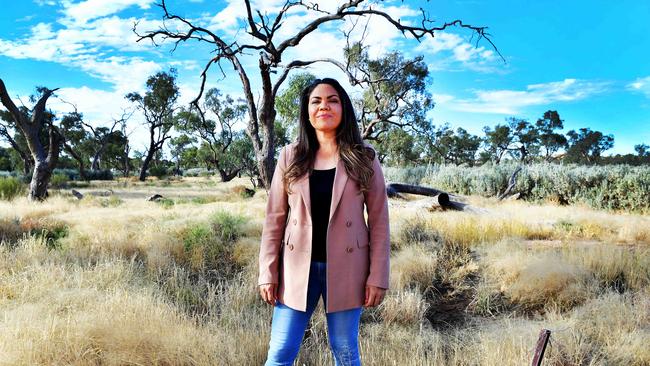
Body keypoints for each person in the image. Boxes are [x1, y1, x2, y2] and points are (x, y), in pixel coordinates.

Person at [258, 78, 391, 366]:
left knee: (344, 352)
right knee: (280, 352)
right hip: (295, 270)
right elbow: (274, 219)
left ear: (343, 108)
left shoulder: (364, 157)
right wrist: (268, 272)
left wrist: (378, 276)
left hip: (348, 268)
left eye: (332, 100)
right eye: (316, 101)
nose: (324, 106)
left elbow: (379, 220)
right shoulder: (290, 156)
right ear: (307, 111)